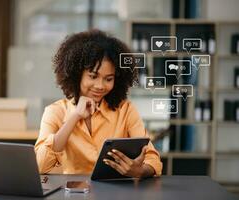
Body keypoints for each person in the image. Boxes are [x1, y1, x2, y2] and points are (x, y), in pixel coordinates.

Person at [34, 29, 162, 179]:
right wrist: (75, 116)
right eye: (93, 76)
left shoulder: (126, 110)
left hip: (116, 192)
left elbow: (153, 159)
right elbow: (40, 165)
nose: (100, 86)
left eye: (108, 79)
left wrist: (140, 171)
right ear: (76, 75)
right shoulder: (55, 112)